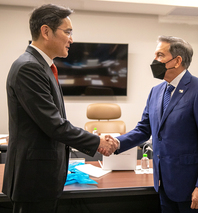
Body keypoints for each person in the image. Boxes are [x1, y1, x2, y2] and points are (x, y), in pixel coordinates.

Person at [3, 4, 117, 213]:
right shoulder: (29, 67)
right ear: (46, 31)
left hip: (42, 177)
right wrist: (97, 142)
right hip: (33, 179)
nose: (72, 39)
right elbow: (54, 125)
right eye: (68, 32)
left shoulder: (42, 66)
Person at [108, 36, 198, 212]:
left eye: (160, 55)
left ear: (177, 61)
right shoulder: (156, 91)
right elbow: (144, 129)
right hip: (163, 184)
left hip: (192, 187)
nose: (155, 61)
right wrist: (117, 143)